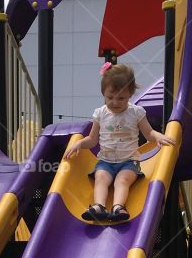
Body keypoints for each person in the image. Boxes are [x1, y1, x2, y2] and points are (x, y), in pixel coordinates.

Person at [63, 61, 175, 223]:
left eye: (121, 98)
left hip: (129, 162)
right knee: (101, 178)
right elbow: (92, 140)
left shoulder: (136, 113)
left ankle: (118, 207)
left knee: (121, 180)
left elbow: (149, 133)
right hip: (105, 162)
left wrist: (158, 136)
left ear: (130, 95)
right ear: (103, 93)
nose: (115, 102)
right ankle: (98, 207)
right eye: (110, 97)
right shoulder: (100, 114)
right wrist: (80, 143)